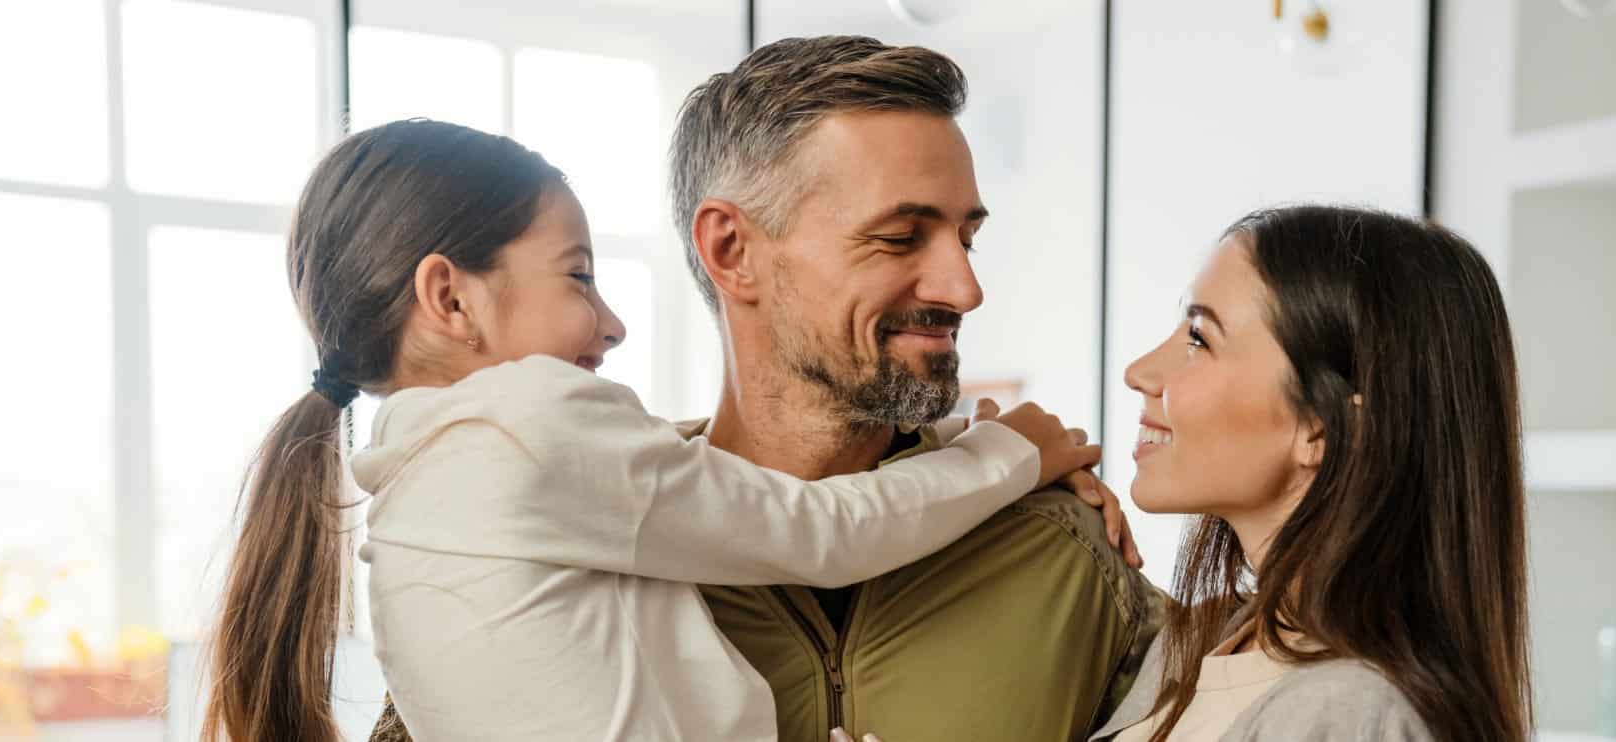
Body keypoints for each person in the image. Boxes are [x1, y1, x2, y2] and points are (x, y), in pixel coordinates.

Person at [201, 118, 1120, 742]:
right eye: (577, 277)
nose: (612, 323)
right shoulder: (530, 427)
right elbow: (823, 532)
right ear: (450, 296)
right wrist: (1012, 452)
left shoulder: (419, 496)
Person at [1091, 205, 1533, 741]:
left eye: (1200, 340)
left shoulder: (1348, 713)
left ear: (1319, 428)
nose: (1139, 371)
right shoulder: (1198, 643)